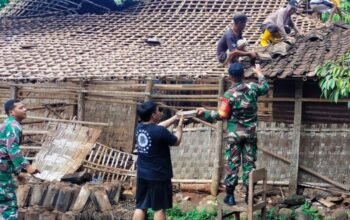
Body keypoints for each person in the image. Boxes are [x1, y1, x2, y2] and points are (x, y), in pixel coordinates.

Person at [197, 63, 269, 206]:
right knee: (249, 163)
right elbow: (265, 87)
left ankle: (230, 196)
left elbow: (221, 115)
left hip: (234, 135)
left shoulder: (228, 95)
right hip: (250, 134)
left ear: (230, 77)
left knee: (233, 163)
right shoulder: (253, 88)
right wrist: (259, 73)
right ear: (243, 75)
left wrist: (204, 113)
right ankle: (249, 196)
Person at [133, 101, 184, 220]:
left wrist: (174, 118)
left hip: (142, 174)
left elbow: (158, 127)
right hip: (158, 175)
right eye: (158, 110)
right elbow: (176, 141)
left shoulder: (140, 127)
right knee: (159, 208)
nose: (160, 112)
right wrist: (180, 125)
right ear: (153, 115)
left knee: (141, 206)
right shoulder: (159, 131)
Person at [0, 100, 39, 220]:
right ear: (12, 112)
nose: (25, 109)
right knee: (9, 205)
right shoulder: (13, 126)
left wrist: (17, 173)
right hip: (1, 172)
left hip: (3, 168)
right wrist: (28, 167)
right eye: (21, 108)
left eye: (25, 107)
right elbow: (12, 149)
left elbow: (5, 151)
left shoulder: (6, 124)